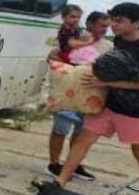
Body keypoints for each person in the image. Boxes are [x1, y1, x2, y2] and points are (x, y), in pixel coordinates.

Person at [57, 2, 139, 195]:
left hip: (135, 109)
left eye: (119, 21)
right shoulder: (120, 41)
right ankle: (59, 182)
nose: (113, 25)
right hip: (110, 105)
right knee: (84, 139)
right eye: (112, 20)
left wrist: (106, 83)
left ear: (136, 23)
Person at [46, 10, 112, 181]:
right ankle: (54, 164)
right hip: (68, 94)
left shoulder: (108, 46)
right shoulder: (74, 39)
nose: (105, 29)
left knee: (81, 133)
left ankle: (72, 165)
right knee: (60, 130)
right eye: (101, 26)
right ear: (89, 24)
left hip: (91, 97)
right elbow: (52, 56)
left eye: (107, 26)